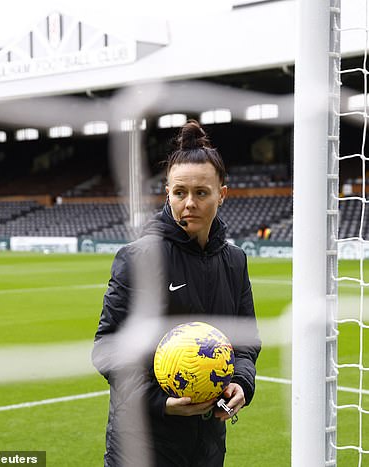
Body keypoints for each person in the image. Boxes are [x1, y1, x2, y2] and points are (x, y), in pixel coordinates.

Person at [92, 120, 262, 467]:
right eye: (179, 192)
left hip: (207, 446)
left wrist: (242, 383)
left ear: (221, 194)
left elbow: (246, 342)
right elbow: (107, 348)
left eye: (201, 193)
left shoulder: (234, 262)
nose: (189, 204)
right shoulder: (138, 259)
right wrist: (159, 400)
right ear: (167, 193)